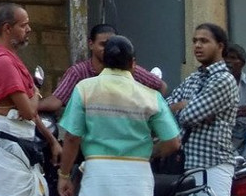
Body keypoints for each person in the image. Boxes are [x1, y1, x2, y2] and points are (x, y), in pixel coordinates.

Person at [57, 36, 181, 196]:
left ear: (104, 61)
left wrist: (64, 175)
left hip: (97, 174)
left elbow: (72, 138)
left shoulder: (84, 89)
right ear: (133, 63)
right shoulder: (151, 97)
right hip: (138, 176)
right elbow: (173, 142)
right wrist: (150, 153)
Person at [0, 2, 61, 196]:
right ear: (7, 28)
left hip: (17, 142)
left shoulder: (8, 58)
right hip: (7, 144)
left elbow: (28, 112)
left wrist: (52, 141)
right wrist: (36, 89)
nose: (29, 29)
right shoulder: (2, 61)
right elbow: (28, 111)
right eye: (23, 25)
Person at [167, 22, 239, 196]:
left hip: (213, 165)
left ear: (220, 46)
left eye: (204, 41)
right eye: (195, 41)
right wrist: (183, 106)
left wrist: (184, 107)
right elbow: (164, 110)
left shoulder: (223, 79)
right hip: (186, 164)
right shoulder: (194, 77)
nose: (197, 45)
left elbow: (188, 117)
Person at [39, 23, 166, 113]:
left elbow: (160, 86)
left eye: (112, 44)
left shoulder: (131, 70)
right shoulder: (78, 73)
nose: (109, 49)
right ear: (91, 44)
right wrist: (28, 106)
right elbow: (56, 101)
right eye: (103, 45)